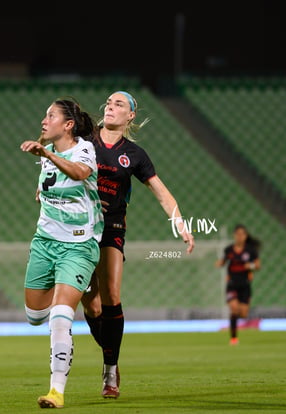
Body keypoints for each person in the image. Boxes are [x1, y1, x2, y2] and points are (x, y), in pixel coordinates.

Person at [81, 91, 195, 399]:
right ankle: (111, 356)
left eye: (119, 104)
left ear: (130, 116)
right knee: (89, 305)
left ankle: (109, 373)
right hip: (80, 228)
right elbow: (58, 165)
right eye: (109, 102)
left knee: (111, 296)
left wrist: (180, 224)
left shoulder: (135, 154)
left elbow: (161, 192)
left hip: (112, 228)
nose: (111, 106)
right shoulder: (84, 142)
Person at [20, 98, 104, 409]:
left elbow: (81, 173)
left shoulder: (83, 149)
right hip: (44, 242)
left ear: (68, 125)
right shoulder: (47, 148)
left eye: (51, 115)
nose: (44, 120)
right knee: (34, 317)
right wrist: (41, 188)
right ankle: (77, 294)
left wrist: (44, 152)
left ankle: (56, 391)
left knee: (59, 316)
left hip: (79, 245)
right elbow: (48, 168)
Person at [215, 224, 261, 345]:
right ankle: (234, 338)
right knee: (234, 308)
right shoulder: (229, 250)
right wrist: (219, 263)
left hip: (245, 285)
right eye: (238, 234)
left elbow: (257, 265)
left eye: (242, 234)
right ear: (234, 235)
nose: (240, 237)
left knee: (243, 313)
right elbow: (223, 261)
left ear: (245, 236)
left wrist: (249, 266)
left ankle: (239, 326)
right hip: (232, 284)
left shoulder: (250, 250)